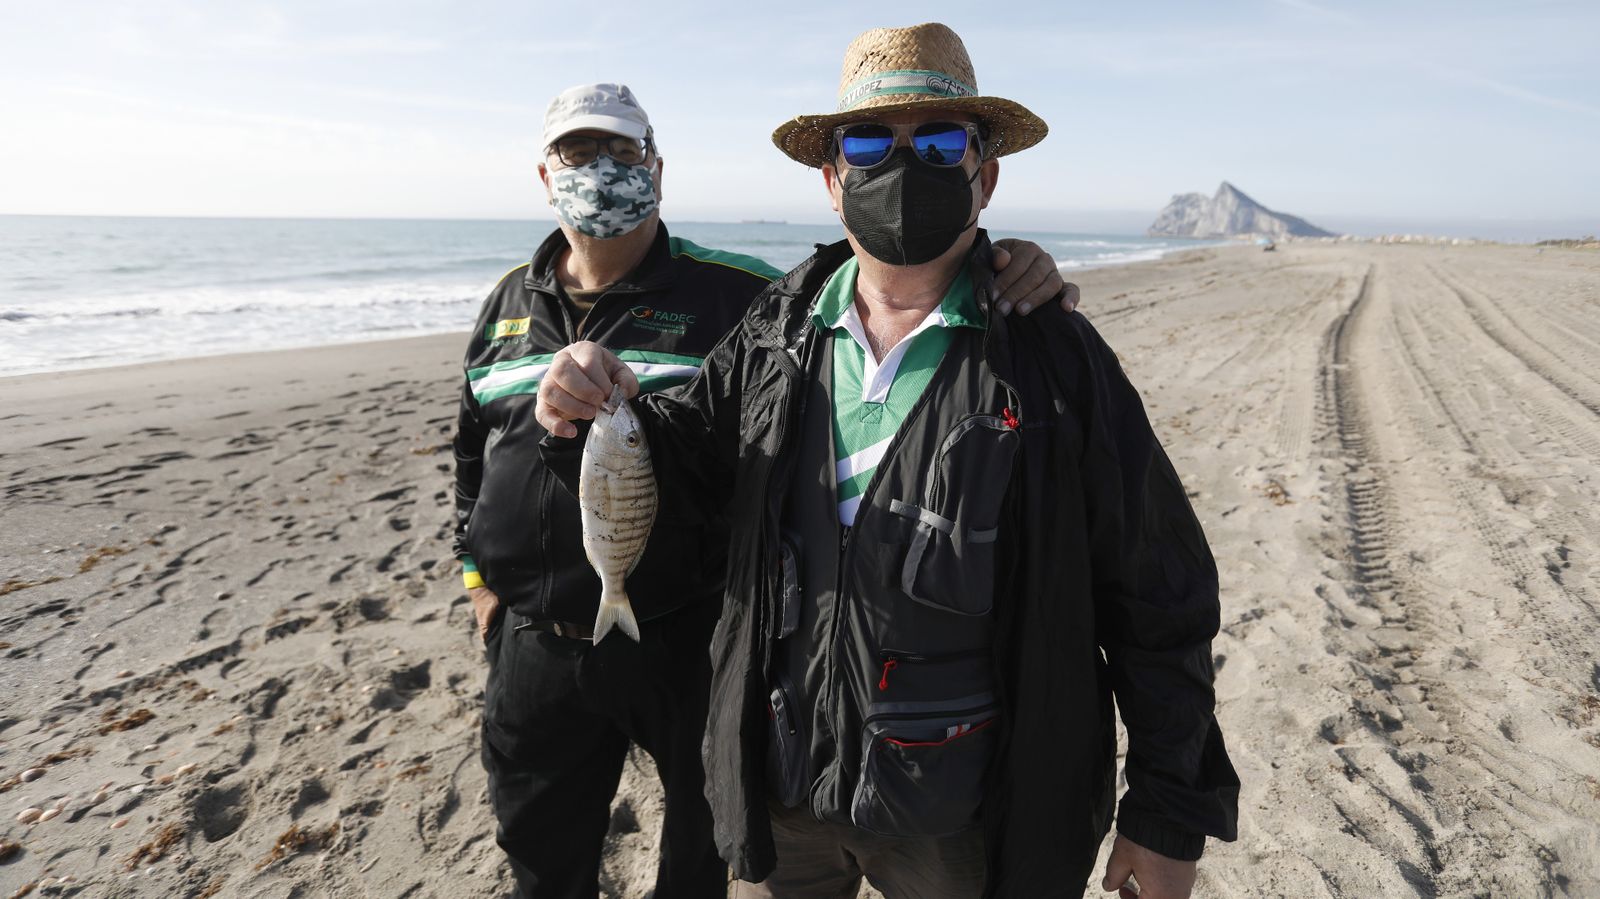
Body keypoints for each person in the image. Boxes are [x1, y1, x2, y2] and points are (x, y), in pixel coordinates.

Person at [534, 24, 1239, 899]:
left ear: (984, 176)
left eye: (940, 141)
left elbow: (1161, 591)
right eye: (869, 143)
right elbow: (682, 465)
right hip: (781, 798)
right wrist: (589, 408)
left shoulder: (1055, 359)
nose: (903, 166)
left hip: (971, 826)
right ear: (833, 182)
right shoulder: (776, 330)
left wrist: (1166, 812)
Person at [452, 81, 1080, 899]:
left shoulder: (739, 295)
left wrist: (1006, 264)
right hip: (533, 641)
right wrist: (480, 587)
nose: (599, 169)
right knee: (541, 850)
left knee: (702, 848)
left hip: (682, 630)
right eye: (577, 153)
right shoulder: (504, 301)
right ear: (545, 174)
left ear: (657, 166)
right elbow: (471, 455)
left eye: (620, 151)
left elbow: (875, 289)